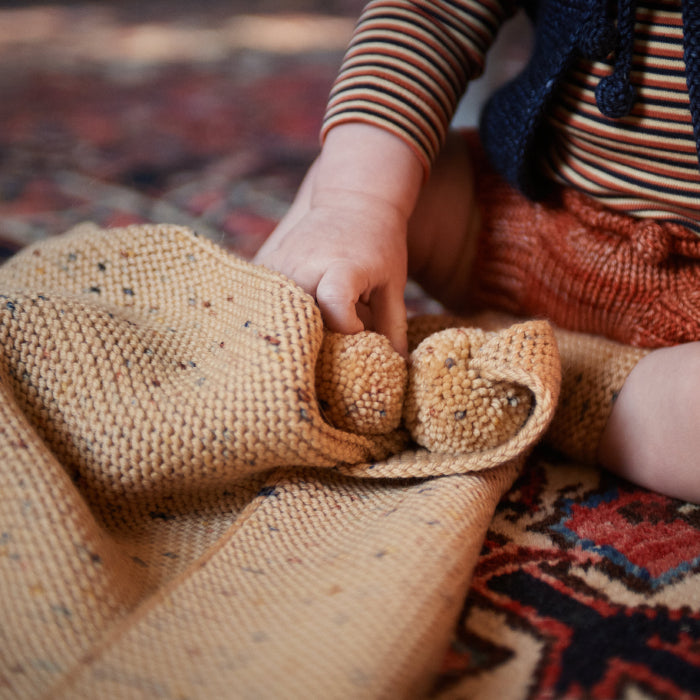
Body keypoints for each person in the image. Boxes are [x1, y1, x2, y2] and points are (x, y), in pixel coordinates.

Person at [254, 0, 700, 502]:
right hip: (522, 220)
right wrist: (352, 204)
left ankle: (573, 391)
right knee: (347, 193)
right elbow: (427, 13)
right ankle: (251, 352)